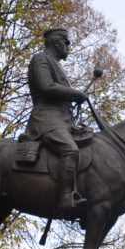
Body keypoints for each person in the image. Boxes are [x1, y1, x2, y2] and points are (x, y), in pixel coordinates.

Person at [26, 27, 89, 215]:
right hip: (47, 120)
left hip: (63, 121)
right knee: (70, 150)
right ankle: (64, 199)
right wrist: (75, 93)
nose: (68, 47)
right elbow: (46, 87)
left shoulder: (56, 65)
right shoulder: (40, 59)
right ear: (56, 42)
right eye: (66, 43)